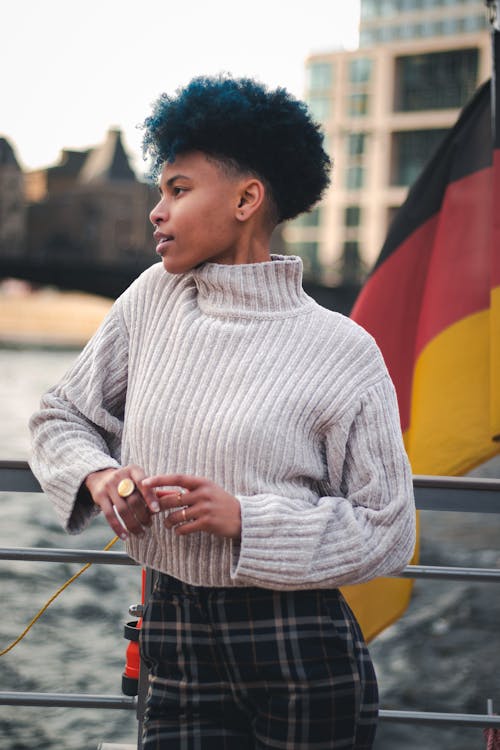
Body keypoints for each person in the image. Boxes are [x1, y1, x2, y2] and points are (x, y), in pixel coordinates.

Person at [29, 75, 416, 750]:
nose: (156, 210)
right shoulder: (153, 299)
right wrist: (100, 479)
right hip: (169, 622)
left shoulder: (343, 349)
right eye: (159, 191)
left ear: (246, 199)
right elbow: (61, 416)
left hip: (297, 641)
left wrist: (245, 520)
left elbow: (388, 527)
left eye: (178, 190)